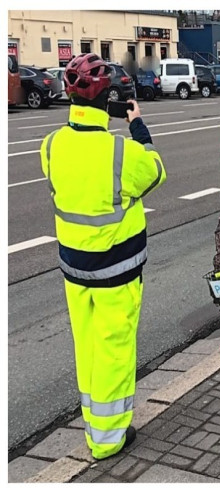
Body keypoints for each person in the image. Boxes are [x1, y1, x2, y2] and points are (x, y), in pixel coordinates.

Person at [40, 53, 166, 460]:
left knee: (88, 348)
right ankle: (108, 438)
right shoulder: (120, 153)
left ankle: (94, 423)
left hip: (74, 269)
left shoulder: (52, 145)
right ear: (107, 100)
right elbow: (155, 170)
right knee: (114, 350)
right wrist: (136, 124)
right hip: (117, 271)